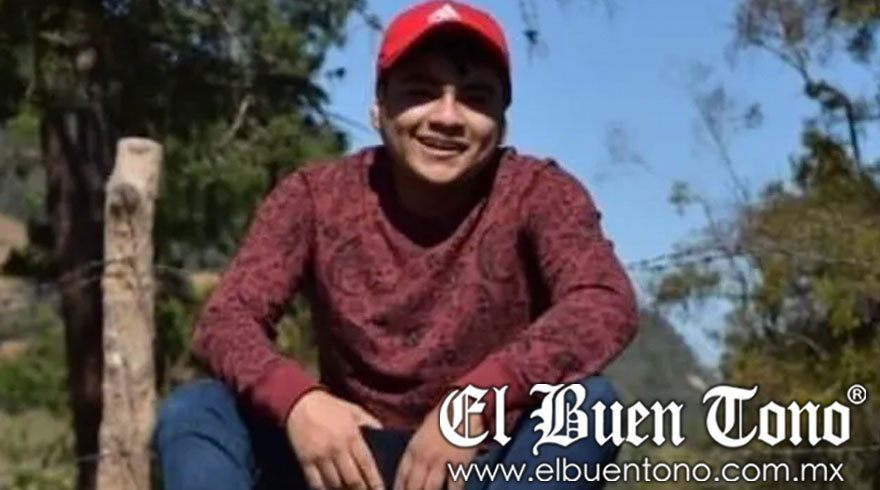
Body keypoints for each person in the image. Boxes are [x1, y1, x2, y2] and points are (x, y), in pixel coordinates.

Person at [153, 1, 639, 489]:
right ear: (378, 110)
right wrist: (299, 401)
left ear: (501, 122)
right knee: (197, 409)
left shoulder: (539, 192)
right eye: (421, 92)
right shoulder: (313, 198)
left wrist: (475, 402)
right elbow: (227, 319)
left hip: (483, 466)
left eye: (475, 98)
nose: (447, 117)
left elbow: (603, 302)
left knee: (590, 407)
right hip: (343, 465)